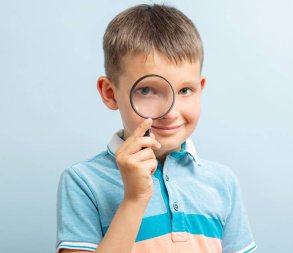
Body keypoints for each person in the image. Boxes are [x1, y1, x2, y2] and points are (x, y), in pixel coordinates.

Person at [56, 3, 257, 253]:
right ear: (110, 93)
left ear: (200, 88)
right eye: (147, 90)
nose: (170, 112)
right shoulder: (84, 182)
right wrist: (134, 198)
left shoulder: (222, 183)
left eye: (185, 90)